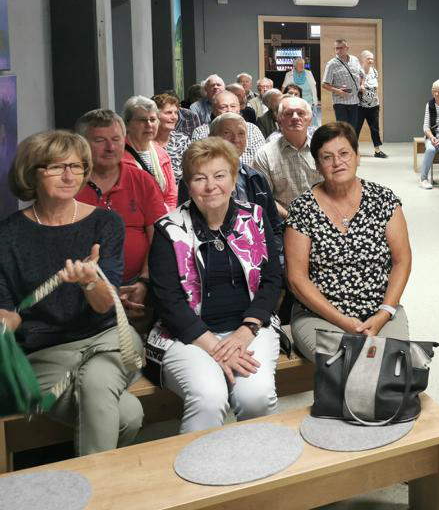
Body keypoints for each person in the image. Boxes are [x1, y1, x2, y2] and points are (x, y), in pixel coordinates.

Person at [0, 130, 144, 455]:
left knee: (96, 382)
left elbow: (105, 306)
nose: (69, 176)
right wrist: (7, 320)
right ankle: (100, 483)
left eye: (77, 167)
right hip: (46, 354)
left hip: (108, 341)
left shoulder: (106, 223)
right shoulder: (7, 235)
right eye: (56, 167)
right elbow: (6, 308)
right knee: (128, 415)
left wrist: (90, 282)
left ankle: (91, 488)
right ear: (32, 173)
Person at [147, 138, 282, 434]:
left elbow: (272, 280)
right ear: (188, 185)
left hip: (251, 329)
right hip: (188, 336)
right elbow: (167, 300)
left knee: (256, 396)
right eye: (199, 178)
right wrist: (216, 346)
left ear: (233, 180)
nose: (211, 186)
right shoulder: (168, 229)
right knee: (209, 397)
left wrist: (246, 331)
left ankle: (264, 458)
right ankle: (196, 463)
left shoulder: (255, 217)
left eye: (220, 175)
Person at [285, 121, 412, 361]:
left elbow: (402, 261)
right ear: (317, 165)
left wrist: (384, 312)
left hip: (381, 310)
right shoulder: (302, 208)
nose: (337, 162)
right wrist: (344, 321)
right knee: (349, 364)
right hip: (320, 315)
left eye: (344, 153)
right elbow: (296, 279)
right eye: (327, 157)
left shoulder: (383, 199)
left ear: (357, 157)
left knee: (393, 363)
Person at [75, 110, 166, 322]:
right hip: (83, 287)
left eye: (116, 139)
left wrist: (144, 282)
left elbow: (158, 238)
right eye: (100, 140)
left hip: (138, 285)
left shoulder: (142, 180)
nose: (111, 147)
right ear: (82, 144)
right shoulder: (71, 183)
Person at [178, 113, 283, 255]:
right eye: (227, 133)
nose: (235, 139)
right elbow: (185, 224)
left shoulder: (256, 178)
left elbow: (274, 227)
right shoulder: (194, 180)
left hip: (256, 256)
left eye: (241, 134)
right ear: (211, 137)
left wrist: (269, 258)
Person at [251, 96, 323, 219]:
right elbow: (266, 197)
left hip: (323, 218)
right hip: (284, 221)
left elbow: (335, 188)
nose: (295, 117)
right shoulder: (264, 155)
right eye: (288, 114)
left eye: (301, 113)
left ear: (310, 120)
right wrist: (292, 220)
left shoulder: (323, 150)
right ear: (279, 120)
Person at [122, 95, 177, 212]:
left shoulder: (162, 154)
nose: (149, 125)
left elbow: (170, 196)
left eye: (152, 119)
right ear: (127, 124)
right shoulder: (118, 157)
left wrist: (166, 218)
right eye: (142, 120)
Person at [190, 90, 267, 165]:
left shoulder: (252, 129)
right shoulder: (201, 131)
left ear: (239, 109)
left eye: (233, 106)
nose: (229, 110)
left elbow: (261, 160)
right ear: (213, 110)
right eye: (223, 107)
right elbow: (198, 161)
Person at [322, 38, 363, 130]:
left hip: (355, 101)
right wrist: (338, 91)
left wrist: (361, 85)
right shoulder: (331, 64)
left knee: (353, 129)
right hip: (340, 102)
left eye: (341, 48)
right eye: (336, 48)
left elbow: (361, 74)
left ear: (347, 48)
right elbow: (324, 84)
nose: (338, 50)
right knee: (342, 129)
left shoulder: (355, 60)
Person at [153, 92, 190, 182]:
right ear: (155, 115)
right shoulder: (145, 142)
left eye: (176, 113)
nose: (174, 117)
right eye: (168, 113)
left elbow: (190, 171)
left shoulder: (182, 140)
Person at [356, 49, 386, 158]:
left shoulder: (374, 71)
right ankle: (354, 151)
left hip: (374, 105)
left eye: (372, 59)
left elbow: (375, 87)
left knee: (375, 128)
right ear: (363, 59)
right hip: (360, 106)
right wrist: (361, 87)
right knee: (356, 129)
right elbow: (356, 87)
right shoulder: (358, 72)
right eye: (368, 58)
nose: (370, 61)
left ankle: (377, 151)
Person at [282, 56, 321, 128]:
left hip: (309, 101)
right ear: (295, 65)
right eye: (300, 64)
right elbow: (284, 87)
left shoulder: (309, 73)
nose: (302, 66)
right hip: (295, 101)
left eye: (303, 64)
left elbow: (313, 86)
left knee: (310, 119)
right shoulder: (289, 74)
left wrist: (315, 99)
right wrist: (281, 99)